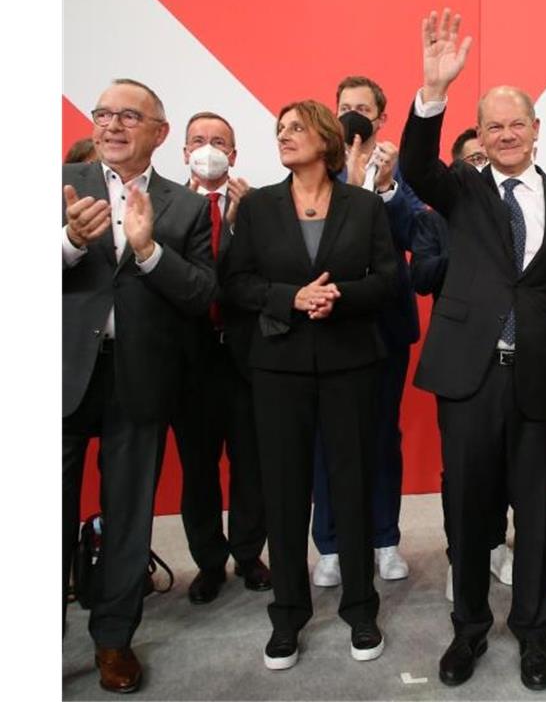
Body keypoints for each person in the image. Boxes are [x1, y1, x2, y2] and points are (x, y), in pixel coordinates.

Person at [399, 8, 546, 692]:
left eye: (517, 124)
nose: (506, 134)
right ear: (481, 137)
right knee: (467, 512)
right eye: (493, 126)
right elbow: (416, 165)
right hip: (471, 375)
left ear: (537, 131)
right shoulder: (461, 190)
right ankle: (468, 630)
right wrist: (433, 94)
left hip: (542, 377)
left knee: (539, 510)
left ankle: (533, 631)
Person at [222, 100, 398, 670]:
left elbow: (389, 280)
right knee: (286, 491)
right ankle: (288, 615)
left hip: (350, 363)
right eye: (280, 131)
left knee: (351, 486)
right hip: (277, 364)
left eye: (296, 128)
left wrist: (337, 296)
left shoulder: (366, 206)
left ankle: (361, 609)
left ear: (325, 139)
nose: (285, 137)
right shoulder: (258, 208)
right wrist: (291, 298)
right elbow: (237, 283)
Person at [63, 78, 216, 693]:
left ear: (159, 132)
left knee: (128, 516)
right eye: (104, 114)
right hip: (60, 371)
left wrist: (149, 250)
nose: (113, 125)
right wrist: (70, 241)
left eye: (130, 116)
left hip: (142, 375)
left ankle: (113, 641)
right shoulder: (55, 184)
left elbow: (203, 292)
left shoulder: (184, 204)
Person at [308, 75, 421, 587]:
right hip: (328, 325)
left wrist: (386, 187)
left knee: (381, 434)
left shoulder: (398, 171)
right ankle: (329, 543)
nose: (354, 115)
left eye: (363, 109)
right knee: (329, 437)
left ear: (381, 118)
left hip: (384, 326)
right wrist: (348, 185)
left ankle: (384, 539)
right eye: (345, 107)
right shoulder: (317, 171)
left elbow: (413, 234)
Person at [169, 112, 271, 605]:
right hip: (190, 358)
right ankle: (209, 562)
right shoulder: (166, 207)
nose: (207, 149)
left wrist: (240, 225)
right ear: (184, 151)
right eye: (198, 141)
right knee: (199, 467)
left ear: (233, 156)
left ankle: (249, 554)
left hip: (245, 356)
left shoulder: (254, 209)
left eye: (218, 143)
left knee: (251, 462)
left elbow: (255, 278)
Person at [411, 128, 514, 602]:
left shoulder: (518, 211)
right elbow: (422, 275)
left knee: (508, 465)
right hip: (459, 354)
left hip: (512, 355)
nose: (479, 165)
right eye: (469, 158)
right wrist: (464, 245)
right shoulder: (434, 218)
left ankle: (496, 545)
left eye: (483, 157)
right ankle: (462, 555)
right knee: (462, 469)